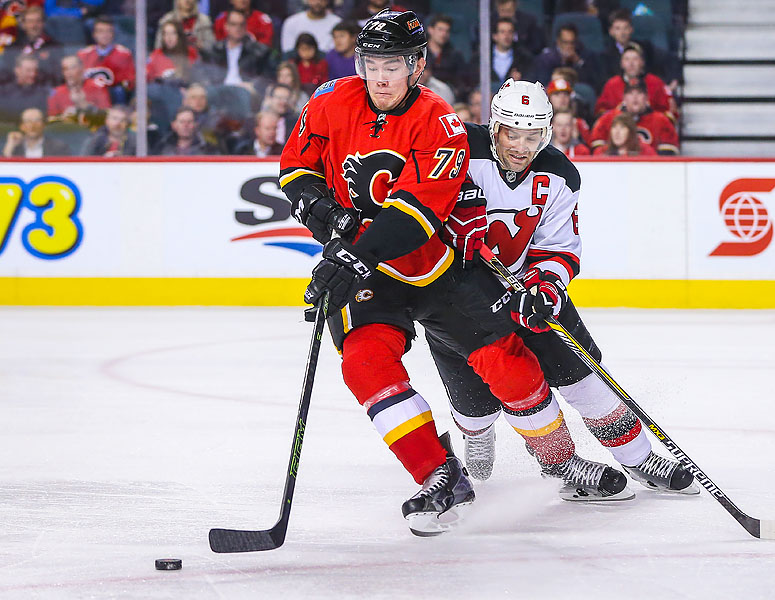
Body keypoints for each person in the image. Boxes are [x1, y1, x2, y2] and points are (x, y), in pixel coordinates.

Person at [280, 9, 582, 535]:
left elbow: (417, 213)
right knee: (364, 364)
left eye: (392, 63)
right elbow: (296, 168)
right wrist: (326, 215)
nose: (379, 75)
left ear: (417, 65)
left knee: (506, 363)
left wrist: (351, 255)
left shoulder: (440, 122)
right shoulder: (329, 100)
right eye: (371, 61)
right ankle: (439, 474)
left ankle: (559, 460)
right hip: (370, 271)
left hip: (440, 266)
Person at [429, 79, 698, 497]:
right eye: (512, 133)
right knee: (478, 405)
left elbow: (558, 248)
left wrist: (545, 290)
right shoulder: (458, 151)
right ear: (494, 126)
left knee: (584, 377)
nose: (521, 146)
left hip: (524, 288)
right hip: (458, 299)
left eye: (532, 135)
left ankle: (638, 457)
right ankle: (479, 434)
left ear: (547, 133)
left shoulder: (558, 174)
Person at [590, 80, 679, 155]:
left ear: (647, 97)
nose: (635, 97)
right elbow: (597, 148)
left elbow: (669, 153)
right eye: (630, 93)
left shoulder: (661, 120)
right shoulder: (608, 118)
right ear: (624, 98)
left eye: (639, 93)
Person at [200, 9, 274, 94]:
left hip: (246, 91)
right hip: (219, 90)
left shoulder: (259, 51)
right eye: (233, 24)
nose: (238, 28)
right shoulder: (214, 50)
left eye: (241, 25)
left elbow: (268, 76)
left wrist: (253, 84)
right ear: (226, 26)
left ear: (246, 26)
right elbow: (203, 73)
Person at [595, 45, 675, 120]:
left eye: (635, 59)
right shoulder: (611, 85)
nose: (631, 63)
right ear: (621, 64)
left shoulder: (656, 83)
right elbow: (601, 113)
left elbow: (669, 113)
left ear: (642, 62)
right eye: (627, 59)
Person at [77, 16, 136, 105]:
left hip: (112, 97)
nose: (104, 35)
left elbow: (129, 83)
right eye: (100, 31)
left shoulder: (123, 54)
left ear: (113, 34)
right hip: (88, 96)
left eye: (108, 31)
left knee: (119, 91)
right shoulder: (83, 54)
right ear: (94, 34)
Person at [533, 24, 605, 93]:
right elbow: (543, 84)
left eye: (572, 43)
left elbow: (593, 84)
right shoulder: (546, 59)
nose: (569, 46)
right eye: (565, 42)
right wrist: (562, 62)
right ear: (558, 42)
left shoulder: (585, 55)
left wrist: (578, 62)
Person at [2, 5, 62, 87]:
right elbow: (6, 74)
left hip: (44, 90)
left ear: (43, 23)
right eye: (30, 21)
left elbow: (57, 74)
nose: (34, 25)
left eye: (38, 21)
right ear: (23, 24)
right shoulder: (13, 47)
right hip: (17, 91)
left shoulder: (54, 46)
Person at [47, 55, 111, 121]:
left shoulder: (97, 87)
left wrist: (84, 105)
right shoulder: (56, 92)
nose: (69, 72)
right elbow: (50, 119)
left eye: (72, 68)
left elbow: (107, 115)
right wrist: (64, 117)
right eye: (65, 69)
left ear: (82, 68)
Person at [425, 14, 469, 97]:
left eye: (447, 31)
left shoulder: (455, 55)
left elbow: (461, 82)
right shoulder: (419, 53)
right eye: (440, 30)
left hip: (447, 96)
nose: (444, 34)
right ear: (430, 30)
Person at [0, 53, 49, 123]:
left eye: (35, 70)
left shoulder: (42, 93)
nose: (33, 74)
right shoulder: (3, 93)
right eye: (28, 70)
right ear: (17, 70)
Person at [3, 107, 71, 157]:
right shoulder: (15, 147)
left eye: (37, 120)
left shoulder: (58, 147)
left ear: (43, 125)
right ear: (21, 126)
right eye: (28, 121)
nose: (33, 125)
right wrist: (10, 146)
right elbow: (6, 171)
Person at [147, 20, 198, 86]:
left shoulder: (191, 53)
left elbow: (196, 76)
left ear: (180, 36)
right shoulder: (156, 54)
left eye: (173, 33)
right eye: (166, 34)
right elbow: (147, 77)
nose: (169, 37)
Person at [153, 106, 219, 155]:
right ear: (174, 125)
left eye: (189, 121)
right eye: (182, 122)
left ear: (196, 125)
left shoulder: (208, 149)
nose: (185, 125)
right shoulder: (162, 147)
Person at [490, 17, 533, 84]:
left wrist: (520, 81)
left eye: (510, 32)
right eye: (502, 32)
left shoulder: (524, 58)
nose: (506, 35)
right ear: (494, 36)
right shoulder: (481, 58)